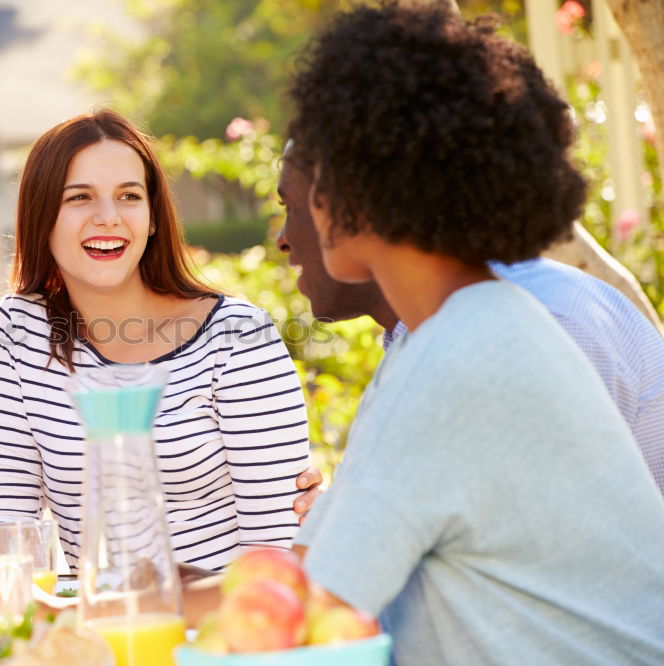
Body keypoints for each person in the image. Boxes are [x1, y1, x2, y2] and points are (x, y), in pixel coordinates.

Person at [188, 4, 664, 663]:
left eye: (316, 172)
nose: (305, 202)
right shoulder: (455, 332)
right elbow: (304, 571)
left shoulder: (461, 360)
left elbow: (302, 614)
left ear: (364, 182)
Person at [0, 110, 311, 572]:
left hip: (223, 631)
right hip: (93, 632)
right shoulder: (17, 330)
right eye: (79, 198)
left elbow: (276, 557)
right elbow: (1, 525)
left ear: (152, 217)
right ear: (42, 217)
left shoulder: (238, 337)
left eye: (129, 196)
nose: (107, 218)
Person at [275, 144, 664, 495]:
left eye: (293, 208)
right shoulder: (429, 330)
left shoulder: (533, 327)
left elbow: (558, 553)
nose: (282, 238)